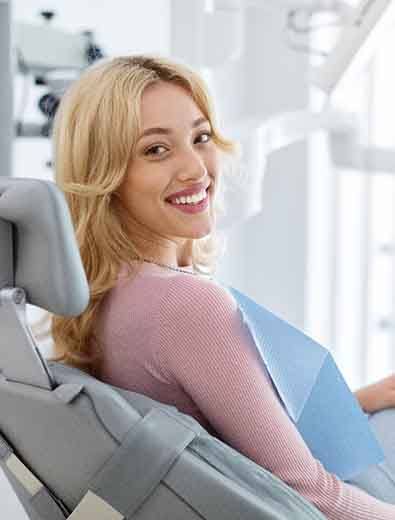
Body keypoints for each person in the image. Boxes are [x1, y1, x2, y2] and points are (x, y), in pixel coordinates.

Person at [47, 54, 395, 519]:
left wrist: (357, 402)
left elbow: (233, 441)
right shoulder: (185, 306)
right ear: (106, 175)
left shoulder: (106, 294)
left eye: (201, 137)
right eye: (156, 150)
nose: (196, 168)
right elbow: (311, 496)